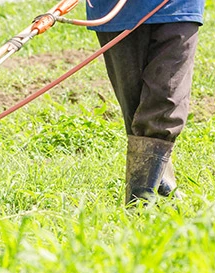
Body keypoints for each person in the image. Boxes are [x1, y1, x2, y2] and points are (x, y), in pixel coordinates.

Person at [86, 0, 205, 204]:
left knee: (165, 100)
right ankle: (163, 194)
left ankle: (139, 206)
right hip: (115, 11)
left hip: (177, 7)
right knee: (135, 108)